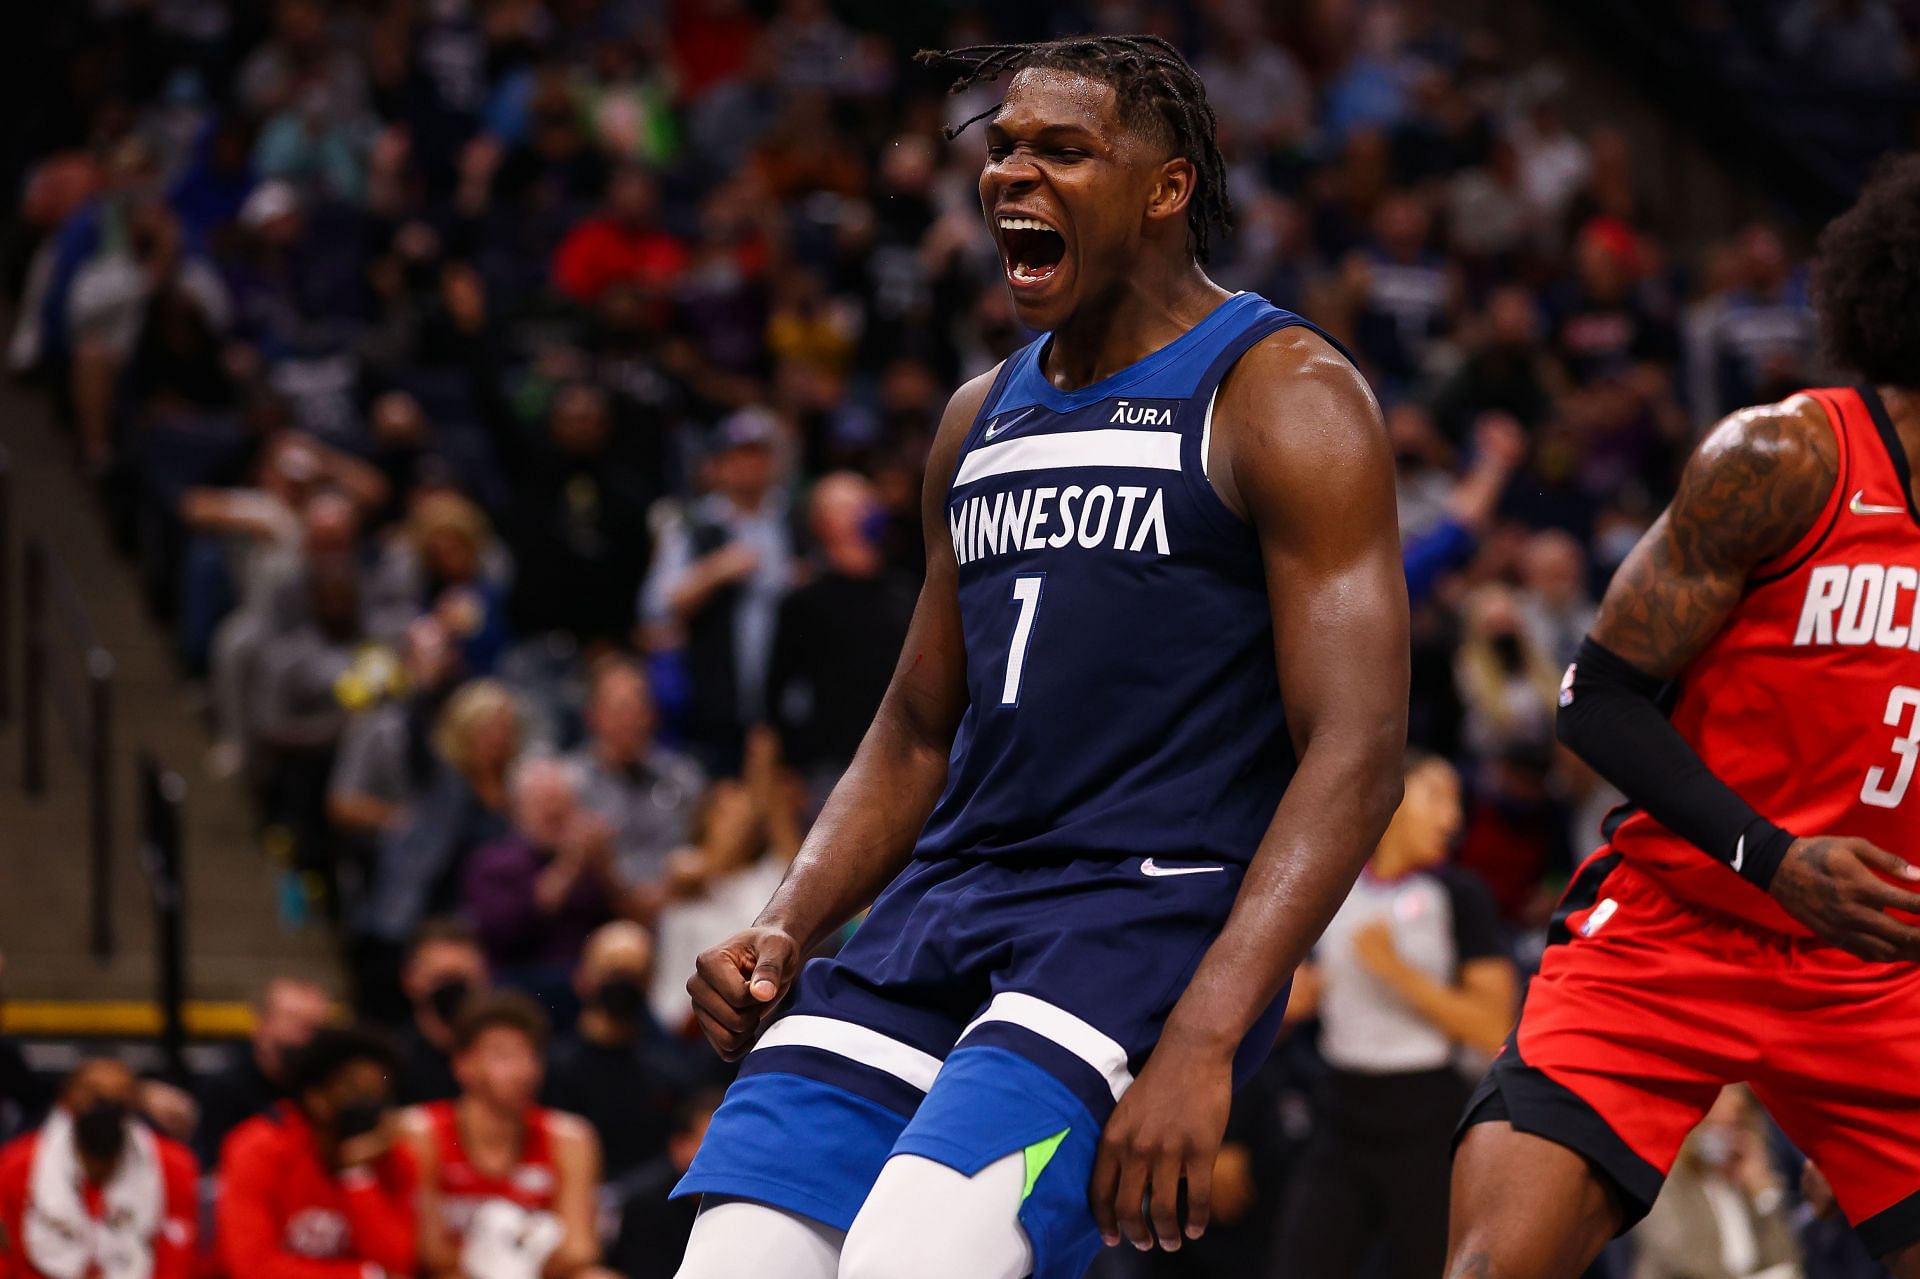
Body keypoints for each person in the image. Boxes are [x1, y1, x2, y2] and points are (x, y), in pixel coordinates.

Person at [673, 35, 1407, 1279]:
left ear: (1167, 189)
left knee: (910, 1265)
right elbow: (914, 726)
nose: (1012, 173)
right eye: (1004, 147)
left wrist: (1208, 1036)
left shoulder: (1279, 391)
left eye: (1062, 150)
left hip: (1141, 917)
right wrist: (789, 919)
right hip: (942, 906)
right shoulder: (979, 414)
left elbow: (1358, 749)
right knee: (734, 1261)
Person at [1446, 156, 1920, 1277]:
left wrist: (1857, 1115)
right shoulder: (1788, 458)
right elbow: (1595, 696)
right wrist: (1777, 859)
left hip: (1879, 971)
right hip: (1678, 927)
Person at [1275, 753, 1516, 1279]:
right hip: (1340, 1111)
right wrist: (1289, 1005)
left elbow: (1495, 1029)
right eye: (1438, 796)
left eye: (1458, 801)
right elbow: (1294, 997)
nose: (1453, 818)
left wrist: (1398, 974)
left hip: (1427, 1119)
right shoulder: (1328, 881)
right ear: (1392, 794)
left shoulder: (1459, 895)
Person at [402, 993, 604, 1279]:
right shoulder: (421, 1132)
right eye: (504, 1055)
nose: (522, 1070)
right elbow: (429, 1253)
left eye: (529, 1054)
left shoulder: (570, 1137)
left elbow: (579, 1249)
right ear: (463, 1065)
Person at [215, 1027, 417, 1279]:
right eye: (356, 1091)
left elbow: (397, 1263)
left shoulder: (392, 1156)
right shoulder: (257, 1149)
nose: (370, 1104)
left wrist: (356, 1174)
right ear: (316, 1097)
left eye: (379, 1093)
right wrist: (363, 1276)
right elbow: (253, 1268)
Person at [0, 1060, 199, 1279]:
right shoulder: (20, 1163)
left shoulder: (172, 1165)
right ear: (66, 1100)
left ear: (134, 1104)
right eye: (94, 1095)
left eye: (116, 1096)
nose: (104, 1105)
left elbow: (178, 1264)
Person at [545, 922, 694, 1181]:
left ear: (649, 983)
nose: (624, 984)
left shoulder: (669, 1074)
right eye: (613, 972)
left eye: (635, 975)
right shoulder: (548, 1069)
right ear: (582, 978)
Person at [463, 757, 621, 994]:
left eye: (562, 804)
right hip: (518, 983)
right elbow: (505, 930)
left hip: (587, 986)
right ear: (517, 809)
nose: (554, 811)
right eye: (543, 804)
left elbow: (623, 921)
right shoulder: (491, 863)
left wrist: (606, 867)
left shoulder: (592, 863)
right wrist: (568, 865)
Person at [565, 656, 707, 906]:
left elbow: (704, 848)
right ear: (592, 716)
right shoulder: (569, 784)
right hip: (601, 911)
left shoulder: (684, 777)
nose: (628, 720)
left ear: (652, 714)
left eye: (637, 708)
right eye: (618, 710)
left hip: (678, 905)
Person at [1630, 1087, 1803, 1279]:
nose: (1726, 1136)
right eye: (1715, 1123)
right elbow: (1680, 1258)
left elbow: (1786, 1259)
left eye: (1735, 1124)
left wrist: (1764, 1193)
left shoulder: (1746, 1181)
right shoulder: (1666, 1179)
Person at [195, 976, 334, 1165]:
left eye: (315, 1027)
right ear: (262, 1023)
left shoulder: (327, 1093)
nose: (305, 1039)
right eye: (295, 1022)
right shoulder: (224, 1089)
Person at [396, 918, 492, 1105]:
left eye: (461, 980)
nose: (452, 993)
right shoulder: (395, 1063)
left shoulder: (514, 1061)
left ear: (484, 978)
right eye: (441, 980)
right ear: (409, 980)